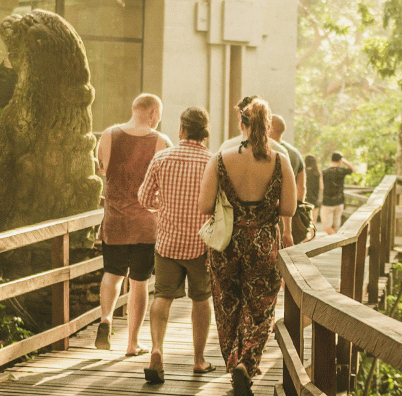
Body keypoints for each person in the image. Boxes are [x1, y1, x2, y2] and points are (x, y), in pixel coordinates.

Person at [198, 97, 296, 396]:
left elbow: (204, 206)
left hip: (227, 244)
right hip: (264, 243)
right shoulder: (280, 161)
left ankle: (233, 362)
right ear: (268, 125)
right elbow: (289, 209)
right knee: (260, 306)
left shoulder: (221, 157)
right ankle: (247, 361)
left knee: (228, 305)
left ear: (241, 122)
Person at [137, 107, 216, 383]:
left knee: (162, 297)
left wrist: (165, 206)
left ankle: (157, 350)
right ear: (205, 132)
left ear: (182, 129)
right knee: (201, 299)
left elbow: (144, 198)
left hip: (168, 244)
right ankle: (198, 360)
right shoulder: (212, 161)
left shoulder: (162, 158)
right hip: (201, 244)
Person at [94, 93, 172, 356]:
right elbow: (165, 184)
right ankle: (132, 343)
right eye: (159, 115)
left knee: (112, 273)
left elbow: (104, 170)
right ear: (152, 113)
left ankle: (105, 319)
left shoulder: (108, 134)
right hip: (145, 223)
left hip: (114, 220)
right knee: (139, 282)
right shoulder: (161, 142)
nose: (159, 120)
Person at [269, 114, 311, 243]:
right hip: (288, 212)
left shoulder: (266, 150)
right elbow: (301, 188)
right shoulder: (295, 153)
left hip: (268, 214)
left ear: (270, 129)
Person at [320, 151, 354, 235]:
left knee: (326, 227)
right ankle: (336, 241)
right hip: (339, 202)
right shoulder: (342, 170)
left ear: (331, 159)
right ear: (340, 161)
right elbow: (353, 169)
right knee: (336, 226)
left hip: (327, 202)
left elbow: (321, 187)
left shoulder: (324, 172)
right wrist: (344, 161)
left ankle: (335, 239)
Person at [303, 154, 323, 230]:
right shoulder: (318, 172)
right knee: (313, 222)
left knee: (304, 221)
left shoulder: (303, 172)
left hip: (305, 200)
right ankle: (312, 237)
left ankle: (305, 239)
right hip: (315, 199)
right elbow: (321, 187)